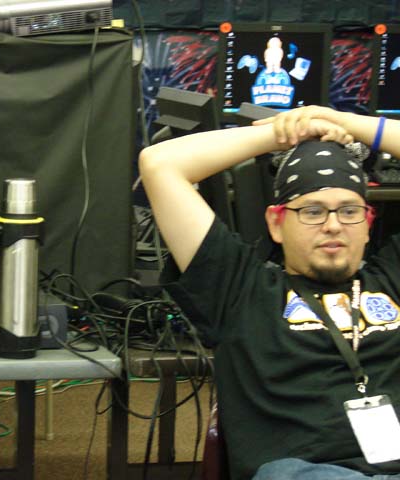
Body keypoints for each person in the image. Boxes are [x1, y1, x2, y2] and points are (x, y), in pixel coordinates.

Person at [139, 105, 400, 480]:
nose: (333, 225)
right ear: (276, 223)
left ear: (367, 223)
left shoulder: (391, 279)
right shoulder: (240, 289)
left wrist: (346, 123)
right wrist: (284, 132)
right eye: (312, 211)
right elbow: (160, 164)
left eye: (348, 211)